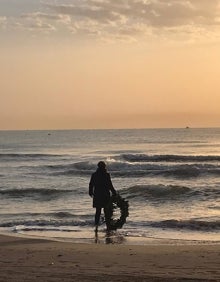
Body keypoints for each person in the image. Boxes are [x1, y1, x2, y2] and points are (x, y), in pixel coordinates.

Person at [89, 161, 116, 231]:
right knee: (106, 211)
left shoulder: (94, 174)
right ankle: (108, 226)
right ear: (104, 167)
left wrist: (90, 192)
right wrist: (114, 192)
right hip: (105, 194)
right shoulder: (106, 174)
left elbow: (91, 184)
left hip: (97, 194)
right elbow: (110, 185)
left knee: (98, 211)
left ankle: (96, 225)